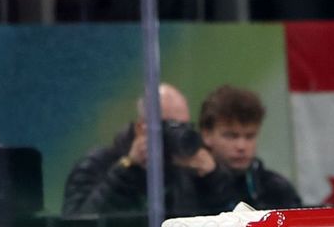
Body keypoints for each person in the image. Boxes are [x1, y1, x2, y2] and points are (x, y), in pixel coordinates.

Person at [62, 83, 230, 218]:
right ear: (142, 128)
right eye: (171, 127)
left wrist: (212, 178)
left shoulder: (185, 172)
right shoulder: (97, 164)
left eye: (184, 127)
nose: (179, 135)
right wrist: (127, 168)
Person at [198, 85, 303, 211]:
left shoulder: (276, 189)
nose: (241, 146)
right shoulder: (187, 185)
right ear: (206, 135)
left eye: (250, 136)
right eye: (231, 136)